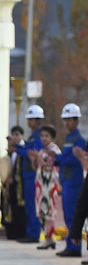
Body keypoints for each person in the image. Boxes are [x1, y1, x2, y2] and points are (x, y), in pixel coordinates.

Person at [55, 103, 86, 257]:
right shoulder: (69, 138)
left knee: (74, 215)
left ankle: (75, 248)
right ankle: (70, 245)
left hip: (74, 183)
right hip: (67, 182)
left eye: (69, 120)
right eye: (65, 120)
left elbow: (73, 159)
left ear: (76, 121)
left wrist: (57, 159)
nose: (67, 123)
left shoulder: (79, 140)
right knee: (68, 215)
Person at [16, 104, 45, 242]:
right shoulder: (33, 136)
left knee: (33, 205)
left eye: (32, 119)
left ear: (38, 120)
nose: (29, 122)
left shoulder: (39, 137)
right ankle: (30, 232)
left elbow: (32, 154)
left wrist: (18, 150)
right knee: (29, 205)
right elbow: (28, 150)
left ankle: (34, 234)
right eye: (29, 119)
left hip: (33, 175)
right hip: (28, 176)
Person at [0, 126, 27, 241]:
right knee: (9, 207)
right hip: (10, 185)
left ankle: (20, 233)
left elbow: (23, 169)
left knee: (20, 209)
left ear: (22, 135)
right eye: (13, 135)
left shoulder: (23, 150)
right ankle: (11, 233)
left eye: (17, 135)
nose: (15, 137)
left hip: (20, 185)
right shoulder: (12, 151)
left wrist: (14, 179)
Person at [34, 139, 61, 251]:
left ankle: (49, 238)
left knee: (49, 211)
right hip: (41, 184)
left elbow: (52, 165)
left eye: (47, 135)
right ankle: (48, 238)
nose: (44, 138)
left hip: (49, 184)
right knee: (42, 212)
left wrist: (40, 159)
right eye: (43, 135)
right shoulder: (42, 149)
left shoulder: (54, 150)